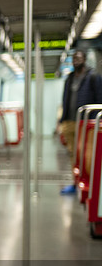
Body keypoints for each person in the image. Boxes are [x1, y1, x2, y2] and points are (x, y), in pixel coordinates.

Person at [58, 49, 102, 194]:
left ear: (84, 60)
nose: (76, 61)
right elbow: (65, 100)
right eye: (74, 59)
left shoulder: (93, 76)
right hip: (70, 121)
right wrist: (62, 120)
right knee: (73, 154)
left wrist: (95, 121)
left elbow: (99, 99)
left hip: (86, 123)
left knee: (87, 154)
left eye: (78, 58)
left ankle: (90, 182)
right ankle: (75, 182)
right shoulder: (69, 78)